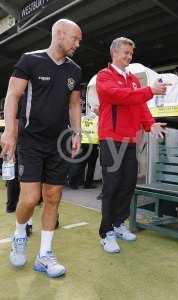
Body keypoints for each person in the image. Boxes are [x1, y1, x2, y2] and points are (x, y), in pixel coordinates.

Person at [1, 19, 82, 278]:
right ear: (59, 34)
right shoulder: (30, 60)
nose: (77, 44)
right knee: (29, 198)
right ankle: (19, 234)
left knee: (53, 196)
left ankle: (44, 255)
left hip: (58, 143)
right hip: (31, 141)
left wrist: (76, 132)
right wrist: (10, 131)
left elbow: (74, 105)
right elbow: (13, 95)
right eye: (75, 38)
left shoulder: (75, 70)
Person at [96, 37, 167, 253]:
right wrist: (150, 91)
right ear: (114, 53)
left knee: (128, 183)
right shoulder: (104, 76)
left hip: (129, 140)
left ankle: (118, 224)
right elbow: (119, 96)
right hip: (110, 138)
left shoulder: (134, 80)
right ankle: (106, 232)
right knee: (112, 186)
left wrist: (150, 124)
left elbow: (140, 106)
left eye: (131, 53)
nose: (129, 56)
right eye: (125, 52)